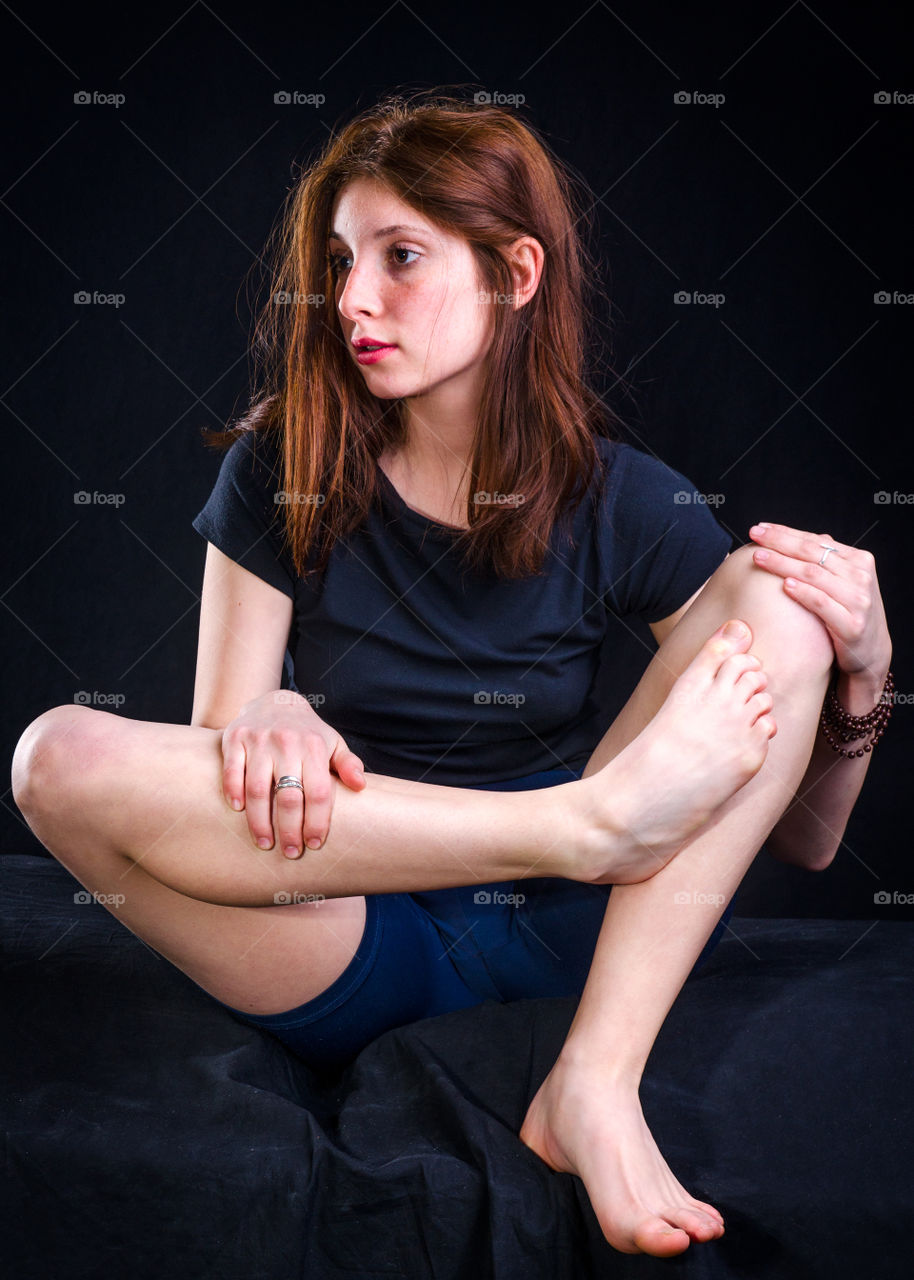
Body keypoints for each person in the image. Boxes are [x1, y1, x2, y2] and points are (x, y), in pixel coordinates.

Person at [11, 90, 893, 1259]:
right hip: (342, 932)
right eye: (338, 260)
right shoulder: (288, 463)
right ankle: (582, 824)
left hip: (573, 944)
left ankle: (593, 1080)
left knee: (781, 594)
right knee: (55, 756)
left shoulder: (624, 499)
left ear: (514, 273)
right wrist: (266, 708)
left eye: (402, 257)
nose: (352, 300)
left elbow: (807, 840)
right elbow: (210, 778)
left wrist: (865, 672)